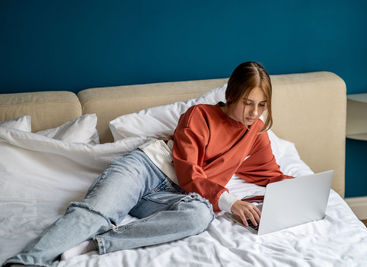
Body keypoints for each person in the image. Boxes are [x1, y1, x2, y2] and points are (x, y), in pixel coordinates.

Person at [3, 61, 292, 267]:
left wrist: (305, 191)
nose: (254, 112)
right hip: (145, 170)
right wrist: (230, 202)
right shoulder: (199, 115)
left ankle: (97, 243)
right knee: (94, 213)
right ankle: (24, 262)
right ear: (232, 95)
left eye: (261, 105)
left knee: (199, 216)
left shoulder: (255, 133)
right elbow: (188, 172)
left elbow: (270, 174)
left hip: (173, 197)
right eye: (247, 102)